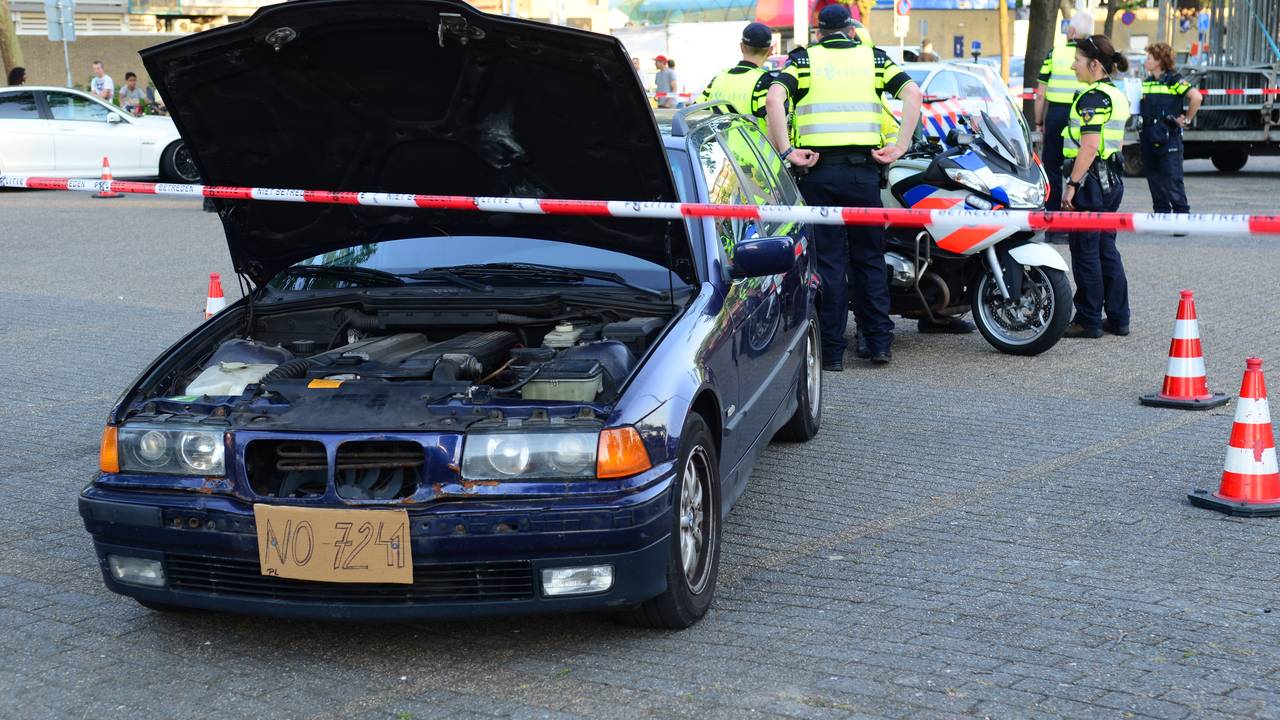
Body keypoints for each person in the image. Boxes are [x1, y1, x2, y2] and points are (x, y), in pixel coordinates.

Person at [766, 3, 923, 369]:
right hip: (863, 175)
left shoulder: (805, 61)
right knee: (869, 259)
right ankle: (879, 344)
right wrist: (900, 146)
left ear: (819, 32)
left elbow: (775, 98)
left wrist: (787, 151)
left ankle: (832, 353)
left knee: (829, 264)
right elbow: (913, 94)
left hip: (818, 174)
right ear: (851, 30)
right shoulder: (874, 59)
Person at [1061, 34, 1132, 339]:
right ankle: (1118, 317)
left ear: (1094, 65)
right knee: (1105, 249)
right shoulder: (1115, 94)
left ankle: (1088, 319)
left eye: (1077, 60)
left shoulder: (1092, 98)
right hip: (1111, 181)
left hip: (1091, 183)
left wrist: (1072, 184)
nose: (1073, 65)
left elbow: (1089, 146)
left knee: (1085, 250)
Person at [1035, 11, 1093, 240]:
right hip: (1083, 115)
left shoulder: (1055, 53)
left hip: (1057, 115)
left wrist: (1039, 122)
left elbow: (1041, 94)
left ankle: (1054, 226)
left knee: (1052, 168)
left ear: (1072, 31)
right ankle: (1077, 223)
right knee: (1079, 167)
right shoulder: (1092, 55)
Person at [1140, 42, 1201, 213]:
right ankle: (1161, 216)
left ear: (1159, 61)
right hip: (1149, 136)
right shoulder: (1147, 83)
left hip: (1169, 138)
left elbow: (1196, 97)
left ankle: (1182, 217)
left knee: (1173, 181)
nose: (1146, 61)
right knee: (1154, 181)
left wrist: (1187, 119)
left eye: (1149, 58)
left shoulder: (1174, 80)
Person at [699, 22, 774, 132]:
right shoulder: (766, 83)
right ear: (770, 50)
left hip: (718, 143)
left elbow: (695, 113)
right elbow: (775, 124)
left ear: (741, 47)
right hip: (752, 144)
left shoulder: (718, 79)